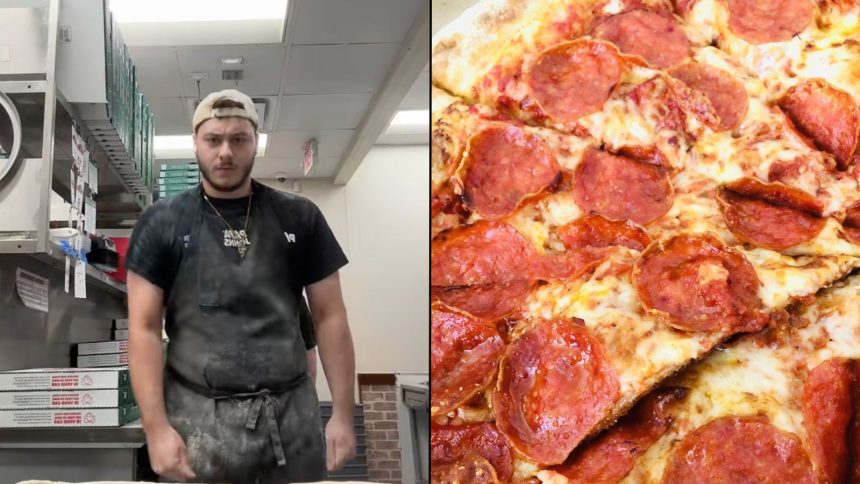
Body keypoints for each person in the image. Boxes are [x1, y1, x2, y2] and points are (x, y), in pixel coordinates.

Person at [126, 89, 356, 483]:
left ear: (256, 144)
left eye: (238, 139)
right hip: (196, 421)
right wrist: (156, 428)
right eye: (213, 140)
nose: (225, 152)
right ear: (195, 143)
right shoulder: (161, 222)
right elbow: (143, 330)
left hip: (292, 422)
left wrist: (342, 415)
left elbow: (330, 317)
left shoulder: (300, 217)